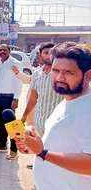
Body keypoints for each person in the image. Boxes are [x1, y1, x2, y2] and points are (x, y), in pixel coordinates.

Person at [15, 43, 91, 189]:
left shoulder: (87, 108)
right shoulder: (69, 98)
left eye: (68, 72)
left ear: (88, 75)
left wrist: (43, 152)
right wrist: (32, 148)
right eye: (55, 71)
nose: (59, 78)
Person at [0, 44, 23, 160]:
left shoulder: (15, 64)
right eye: (0, 49)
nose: (2, 51)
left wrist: (16, 98)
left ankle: (14, 150)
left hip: (9, 98)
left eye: (4, 50)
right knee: (0, 122)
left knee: (12, 125)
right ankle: (2, 145)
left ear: (9, 51)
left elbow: (19, 82)